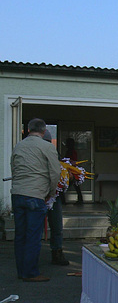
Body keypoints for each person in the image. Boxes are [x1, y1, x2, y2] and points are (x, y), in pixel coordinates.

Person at [11, 118, 61, 282]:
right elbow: (55, 173)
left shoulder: (19, 145)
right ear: (44, 130)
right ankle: (31, 272)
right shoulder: (47, 147)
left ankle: (21, 270)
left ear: (28, 130)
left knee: (21, 235)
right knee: (33, 235)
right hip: (36, 193)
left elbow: (14, 167)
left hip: (18, 193)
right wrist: (51, 192)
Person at [43, 130, 69, 266]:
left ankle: (57, 251)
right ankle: (56, 252)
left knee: (56, 226)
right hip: (44, 193)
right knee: (56, 226)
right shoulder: (40, 152)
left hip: (52, 195)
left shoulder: (53, 153)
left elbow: (59, 170)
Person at [64, 138, 83, 204]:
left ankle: (63, 200)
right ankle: (80, 199)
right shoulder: (72, 151)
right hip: (72, 170)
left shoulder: (71, 151)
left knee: (66, 185)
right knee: (75, 185)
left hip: (71, 170)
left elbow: (73, 161)